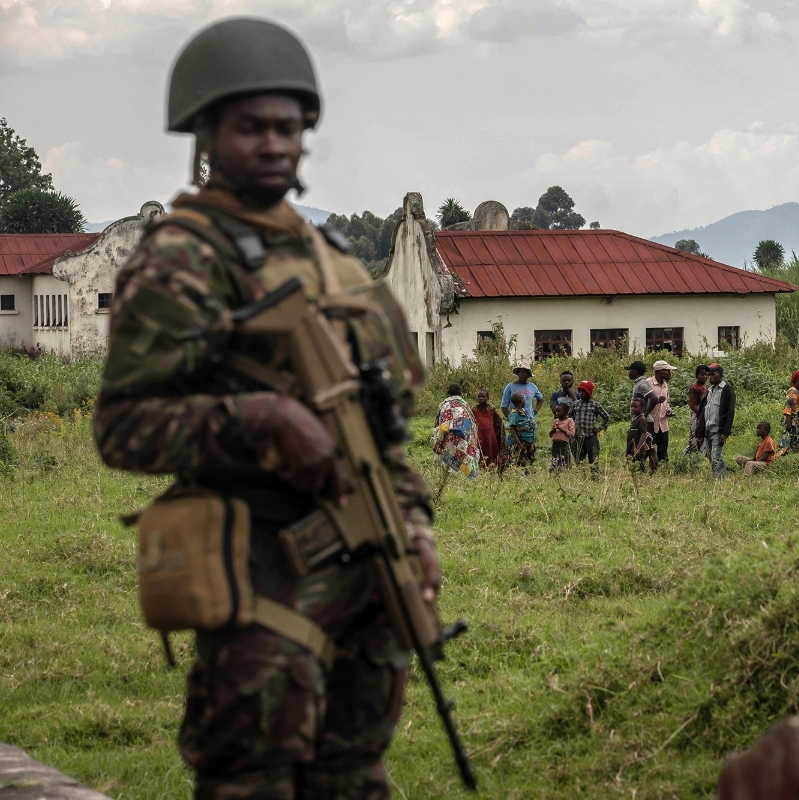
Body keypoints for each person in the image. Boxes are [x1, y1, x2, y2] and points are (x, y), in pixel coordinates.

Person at [90, 19, 442, 798]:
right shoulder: (180, 259)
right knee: (251, 780)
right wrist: (257, 419)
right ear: (208, 136)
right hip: (256, 577)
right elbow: (121, 426)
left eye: (290, 127)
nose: (276, 144)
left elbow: (387, 429)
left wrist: (411, 530)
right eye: (252, 127)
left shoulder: (337, 262)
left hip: (365, 570)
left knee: (355, 776)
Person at [695, 362, 736, 478]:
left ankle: (720, 480)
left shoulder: (727, 390)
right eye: (709, 374)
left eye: (713, 374)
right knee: (711, 457)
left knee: (716, 457)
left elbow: (730, 412)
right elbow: (704, 412)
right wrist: (699, 433)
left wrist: (725, 433)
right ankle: (716, 477)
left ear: (721, 374)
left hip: (718, 430)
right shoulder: (710, 390)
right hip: (708, 429)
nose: (710, 377)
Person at [431, 383, 481, 478]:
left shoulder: (445, 406)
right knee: (464, 459)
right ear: (461, 392)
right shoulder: (465, 405)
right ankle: (466, 479)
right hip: (465, 439)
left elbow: (443, 426)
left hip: (450, 439)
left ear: (448, 392)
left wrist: (438, 442)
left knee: (450, 462)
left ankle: (450, 480)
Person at [569, 380, 610, 471]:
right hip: (578, 436)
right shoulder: (575, 404)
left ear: (589, 392)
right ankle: (581, 477)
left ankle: (595, 477)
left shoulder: (595, 405)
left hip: (590, 436)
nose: (581, 393)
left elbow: (606, 417)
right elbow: (569, 415)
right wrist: (572, 426)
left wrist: (600, 428)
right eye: (580, 391)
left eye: (584, 391)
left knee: (594, 458)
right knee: (579, 459)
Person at [647, 360, 677, 464]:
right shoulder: (648, 383)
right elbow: (643, 401)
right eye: (668, 371)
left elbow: (666, 402)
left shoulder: (665, 385)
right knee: (649, 448)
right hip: (651, 422)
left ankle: (663, 468)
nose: (670, 374)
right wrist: (655, 401)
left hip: (663, 423)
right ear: (661, 372)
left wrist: (668, 411)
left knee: (663, 448)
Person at [473, 387, 508, 469]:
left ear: (487, 398)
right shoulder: (474, 409)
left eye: (483, 396)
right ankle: (481, 469)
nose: (481, 398)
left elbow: (498, 422)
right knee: (480, 452)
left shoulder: (491, 409)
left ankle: (493, 468)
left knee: (491, 451)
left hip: (490, 436)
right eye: (479, 397)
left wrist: (498, 434)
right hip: (479, 435)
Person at [779, 370, 799, 455]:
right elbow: (788, 406)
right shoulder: (793, 391)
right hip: (795, 422)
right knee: (791, 441)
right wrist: (788, 423)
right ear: (796, 381)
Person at [626, 395, 658, 472]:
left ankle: (642, 477)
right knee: (633, 464)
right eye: (632, 406)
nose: (632, 408)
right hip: (632, 446)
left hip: (637, 447)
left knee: (639, 465)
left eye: (635, 407)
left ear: (642, 408)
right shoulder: (635, 418)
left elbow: (644, 433)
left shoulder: (642, 419)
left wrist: (638, 448)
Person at [507, 392, 537, 470]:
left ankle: (527, 477)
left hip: (528, 442)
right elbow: (512, 429)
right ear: (521, 401)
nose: (525, 400)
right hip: (520, 442)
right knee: (519, 462)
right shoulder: (514, 414)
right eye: (523, 399)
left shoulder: (523, 412)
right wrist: (519, 444)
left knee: (528, 461)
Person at [683, 364, 709, 455]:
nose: (705, 376)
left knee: (703, 438)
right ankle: (686, 456)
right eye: (702, 374)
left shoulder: (706, 386)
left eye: (706, 374)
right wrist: (702, 416)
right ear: (697, 375)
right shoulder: (694, 387)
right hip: (697, 416)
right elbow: (693, 405)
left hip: (704, 416)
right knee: (695, 437)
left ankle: (699, 457)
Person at [549, 402, 576, 472]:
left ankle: (565, 476)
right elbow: (550, 435)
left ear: (566, 412)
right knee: (554, 463)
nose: (557, 413)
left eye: (559, 411)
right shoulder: (555, 421)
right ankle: (555, 476)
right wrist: (553, 431)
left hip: (563, 445)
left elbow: (572, 434)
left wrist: (561, 429)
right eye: (556, 411)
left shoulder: (569, 420)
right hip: (555, 445)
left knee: (565, 463)